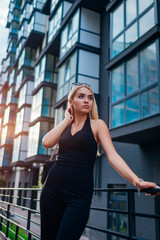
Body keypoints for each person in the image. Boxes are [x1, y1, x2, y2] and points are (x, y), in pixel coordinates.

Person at [40, 83, 158, 240]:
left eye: (90, 97)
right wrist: (66, 120)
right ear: (71, 101)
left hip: (79, 196)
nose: (87, 100)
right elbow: (46, 143)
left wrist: (137, 181)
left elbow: (113, 156)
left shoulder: (97, 125)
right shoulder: (65, 126)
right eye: (81, 96)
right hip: (52, 191)